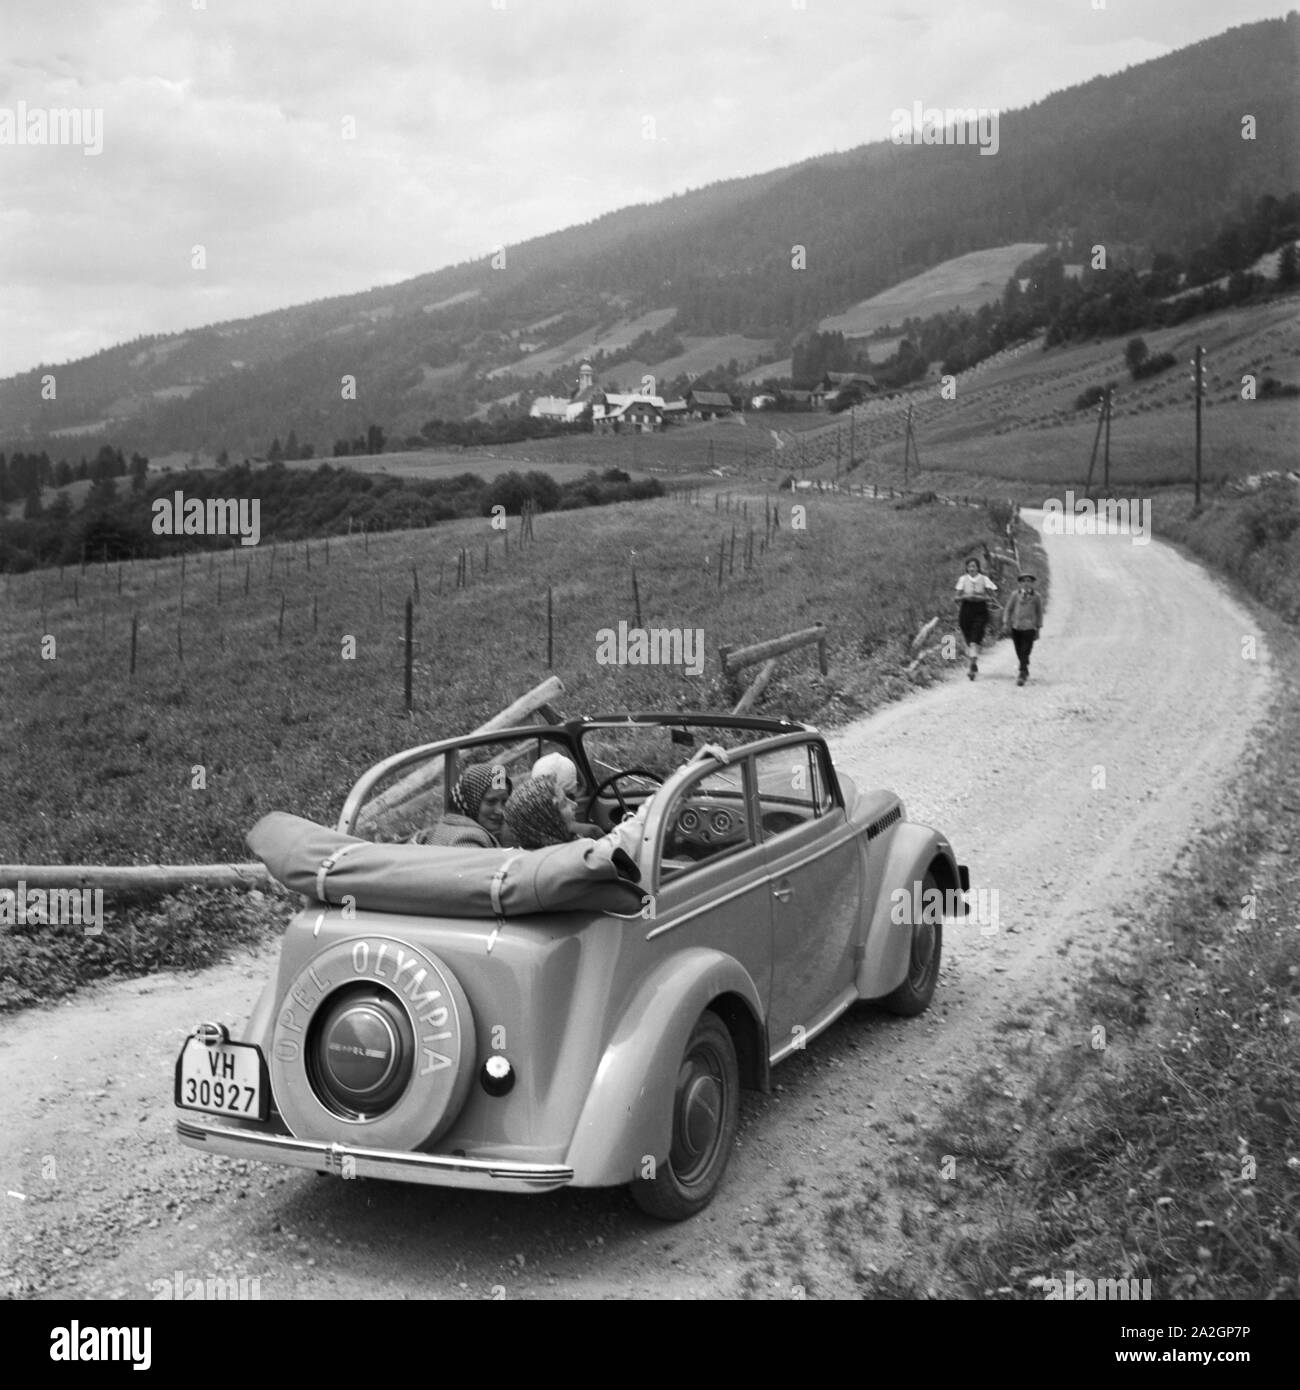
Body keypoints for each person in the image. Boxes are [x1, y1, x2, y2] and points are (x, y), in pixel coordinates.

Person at [410, 763, 511, 848]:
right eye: (491, 802)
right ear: (471, 801)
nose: (500, 810)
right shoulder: (469, 840)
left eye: (505, 802)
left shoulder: (440, 828)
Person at [530, 750, 601, 838]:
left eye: (571, 797)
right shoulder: (589, 832)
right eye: (566, 798)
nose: (574, 804)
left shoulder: (529, 829)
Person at [954, 556, 998, 680]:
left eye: (974, 566)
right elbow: (956, 597)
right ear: (967, 568)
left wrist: (981, 597)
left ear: (978, 567)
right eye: (970, 566)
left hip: (980, 610)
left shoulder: (984, 579)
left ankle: (971, 666)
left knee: (975, 638)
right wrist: (966, 597)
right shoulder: (962, 580)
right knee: (968, 638)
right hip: (966, 610)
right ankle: (973, 662)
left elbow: (993, 596)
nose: (972, 568)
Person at [1002, 571, 1044, 687]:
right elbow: (1008, 609)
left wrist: (1038, 628)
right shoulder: (1015, 595)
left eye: (1029, 581)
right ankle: (1024, 667)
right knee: (1019, 650)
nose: (1026, 584)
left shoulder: (1036, 597)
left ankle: (1022, 671)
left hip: (1030, 628)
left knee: (1026, 649)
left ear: (1032, 584)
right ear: (1019, 584)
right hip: (1016, 626)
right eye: (1023, 581)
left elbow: (1039, 613)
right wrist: (1006, 622)